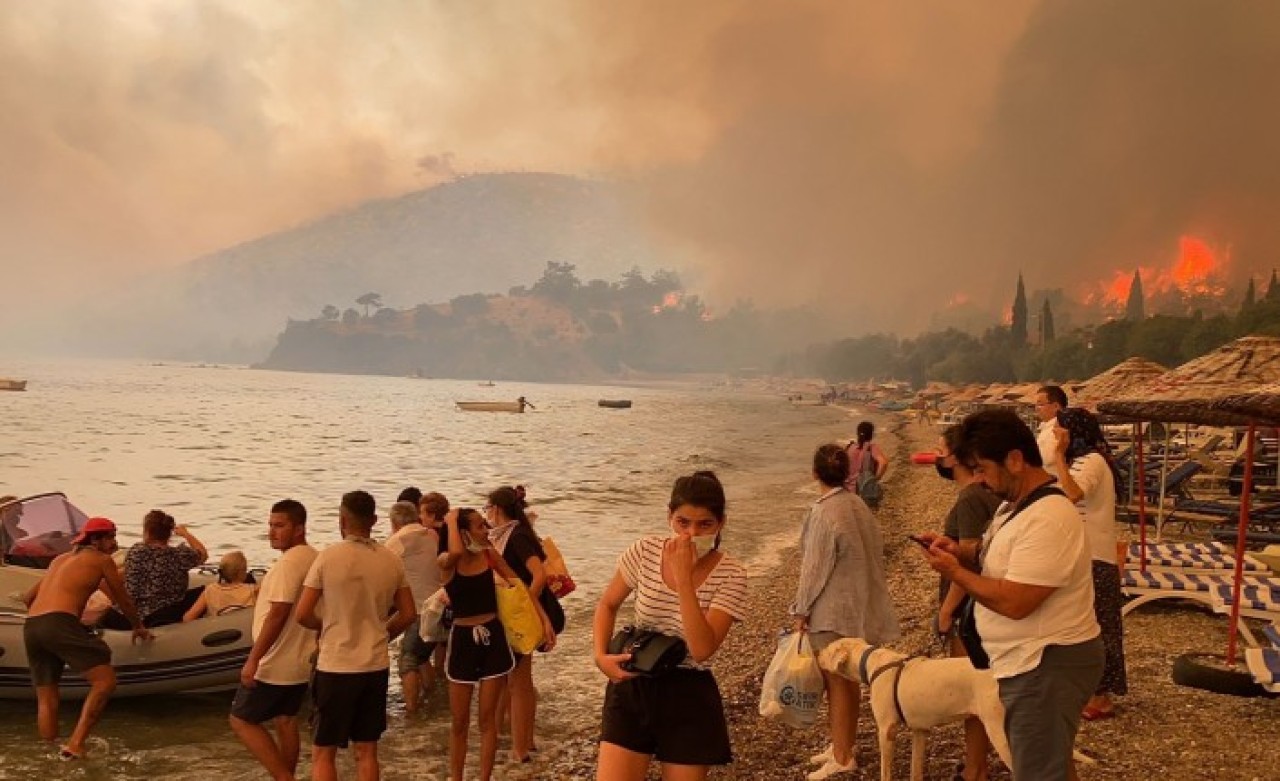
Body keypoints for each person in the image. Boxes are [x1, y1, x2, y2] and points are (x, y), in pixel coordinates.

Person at [920, 409, 1103, 781]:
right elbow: (1000, 559)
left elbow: (1016, 601)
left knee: (1038, 771)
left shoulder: (1049, 516)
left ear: (1015, 459)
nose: (980, 481)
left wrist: (956, 574)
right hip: (1030, 659)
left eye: (983, 469)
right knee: (1050, 764)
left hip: (1046, 663)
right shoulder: (1014, 506)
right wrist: (960, 553)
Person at [593, 471, 749, 781]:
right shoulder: (644, 552)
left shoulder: (732, 575)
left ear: (721, 523)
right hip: (634, 682)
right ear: (669, 517)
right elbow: (607, 604)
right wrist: (600, 656)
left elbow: (703, 649)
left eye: (705, 524)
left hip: (688, 694)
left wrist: (683, 579)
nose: (691, 533)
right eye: (683, 522)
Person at [792, 445, 900, 780]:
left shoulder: (823, 511)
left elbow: (814, 568)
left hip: (832, 609)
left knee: (836, 682)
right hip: (860, 604)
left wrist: (800, 610)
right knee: (848, 680)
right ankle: (842, 744)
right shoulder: (858, 505)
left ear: (814, 473)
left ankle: (842, 755)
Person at [296, 491, 416, 781]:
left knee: (324, 750)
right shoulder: (390, 560)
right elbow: (409, 613)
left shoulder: (328, 557)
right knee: (367, 750)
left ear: (342, 520)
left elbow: (302, 614)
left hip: (336, 664)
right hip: (374, 664)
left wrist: (326, 627)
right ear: (374, 520)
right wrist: (383, 634)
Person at [21, 517, 151, 759]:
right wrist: (138, 626)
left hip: (33, 626)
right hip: (59, 623)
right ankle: (75, 745)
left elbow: (29, 597)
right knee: (105, 682)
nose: (114, 543)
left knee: (47, 697)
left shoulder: (59, 560)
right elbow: (122, 598)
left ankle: (51, 751)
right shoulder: (102, 561)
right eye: (110, 537)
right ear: (96, 540)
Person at [438, 507, 548, 781]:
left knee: (488, 722)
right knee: (459, 722)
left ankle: (484, 778)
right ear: (463, 533)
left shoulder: (489, 555)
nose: (486, 530)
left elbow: (519, 585)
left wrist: (543, 620)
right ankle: (457, 778)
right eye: (479, 526)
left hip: (493, 639)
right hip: (463, 642)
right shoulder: (447, 562)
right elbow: (453, 552)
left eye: (486, 524)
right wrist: (451, 520)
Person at [229, 499, 318, 781]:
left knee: (241, 719)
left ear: (299, 528)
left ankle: (284, 778)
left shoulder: (287, 565)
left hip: (276, 661)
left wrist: (253, 659)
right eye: (270, 525)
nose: (272, 532)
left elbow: (278, 613)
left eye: (280, 526)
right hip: (301, 660)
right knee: (286, 719)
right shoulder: (314, 557)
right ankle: (286, 774)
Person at [932, 426, 1002, 781]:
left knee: (973, 694)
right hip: (978, 606)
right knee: (980, 690)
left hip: (968, 610)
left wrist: (946, 611)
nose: (937, 456)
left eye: (941, 450)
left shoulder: (971, 498)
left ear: (957, 457)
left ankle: (976, 769)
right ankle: (978, 762)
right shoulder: (979, 495)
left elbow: (972, 559)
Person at [1052, 407, 1128, 721]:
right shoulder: (1085, 461)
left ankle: (1102, 697)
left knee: (1101, 625)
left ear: (1073, 433)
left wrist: (1058, 456)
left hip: (1096, 556)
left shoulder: (1092, 461)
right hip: (1085, 554)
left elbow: (1072, 492)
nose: (1054, 435)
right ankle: (1091, 689)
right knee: (1086, 622)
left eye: (1059, 431)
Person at [488, 485, 555, 763]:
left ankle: (521, 748)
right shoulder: (510, 534)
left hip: (523, 615)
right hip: (518, 615)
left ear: (495, 509)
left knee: (519, 682)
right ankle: (519, 741)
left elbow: (539, 575)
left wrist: (528, 608)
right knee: (514, 680)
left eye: (486, 509)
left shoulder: (517, 536)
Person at [104, 509, 208, 628]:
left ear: (147, 532)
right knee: (208, 589)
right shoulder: (180, 555)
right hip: (161, 613)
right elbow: (203, 554)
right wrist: (186, 534)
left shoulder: (135, 551)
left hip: (129, 615)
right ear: (169, 533)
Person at [386, 498, 442, 713]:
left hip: (420, 609)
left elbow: (379, 566)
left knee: (408, 659)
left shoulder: (399, 539)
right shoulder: (430, 534)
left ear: (394, 523)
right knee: (421, 656)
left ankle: (412, 711)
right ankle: (432, 696)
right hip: (438, 608)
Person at [183, 550, 257, 621]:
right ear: (241, 573)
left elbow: (188, 617)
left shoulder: (210, 590)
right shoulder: (252, 590)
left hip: (218, 630)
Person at [844, 421, 888, 506]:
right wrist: (875, 479)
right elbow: (883, 463)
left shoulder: (850, 447)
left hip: (847, 490)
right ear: (871, 434)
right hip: (863, 490)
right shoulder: (871, 448)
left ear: (857, 433)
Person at [1034, 384, 1069, 471]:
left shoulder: (1058, 429)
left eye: (1040, 404)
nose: (1036, 409)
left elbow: (1046, 459)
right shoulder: (1046, 428)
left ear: (1056, 406)